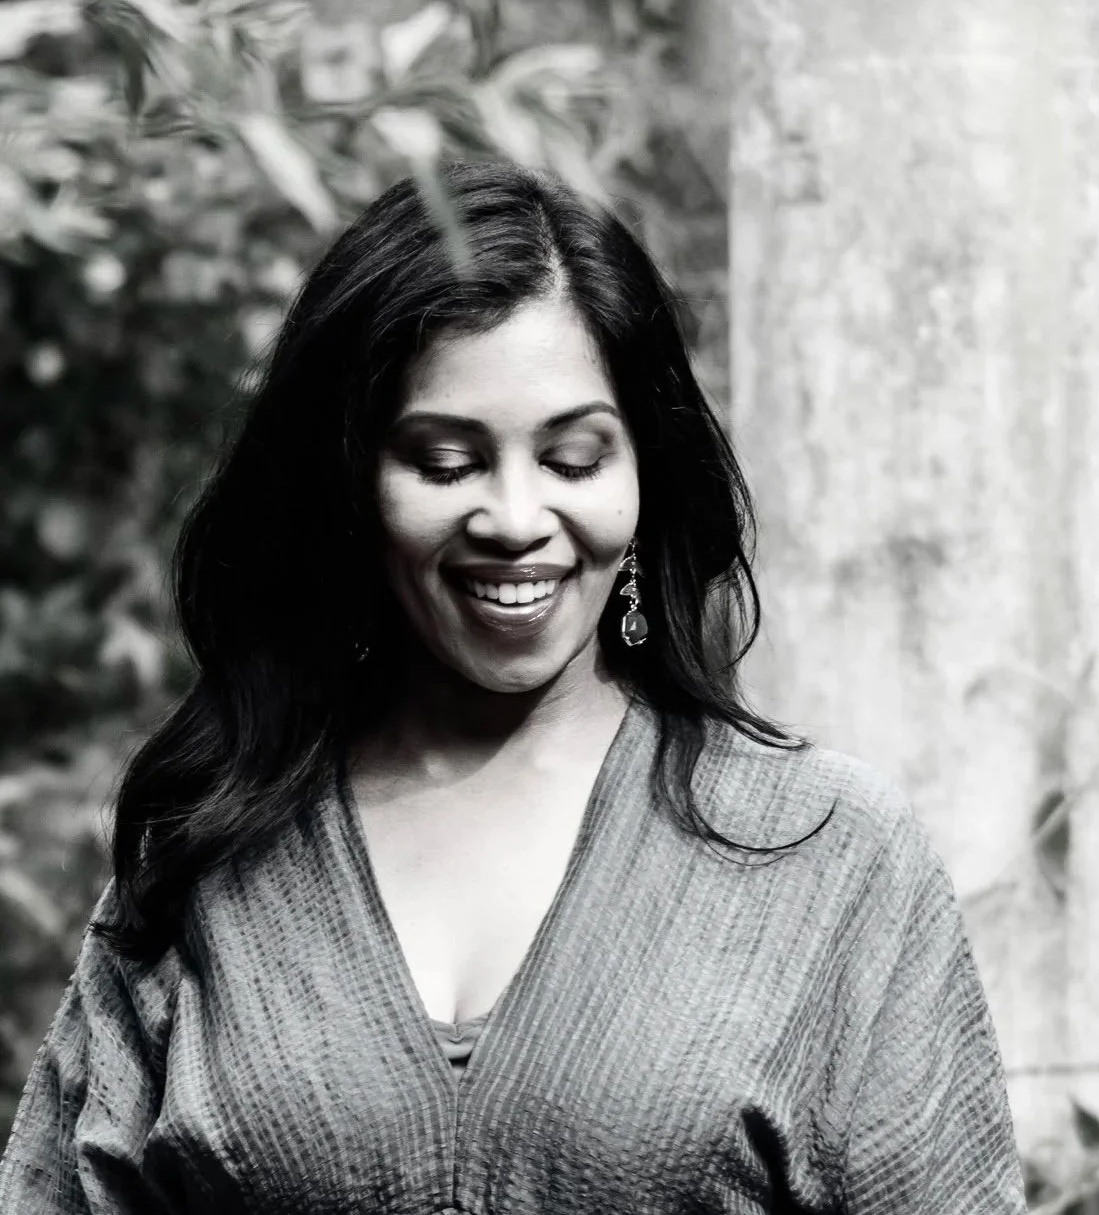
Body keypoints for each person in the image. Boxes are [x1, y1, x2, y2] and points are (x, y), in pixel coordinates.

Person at [0, 160, 1028, 1213]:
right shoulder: (210, 849)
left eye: (573, 459)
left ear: (645, 480)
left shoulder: (826, 855)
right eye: (446, 462)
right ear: (353, 485)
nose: (514, 516)